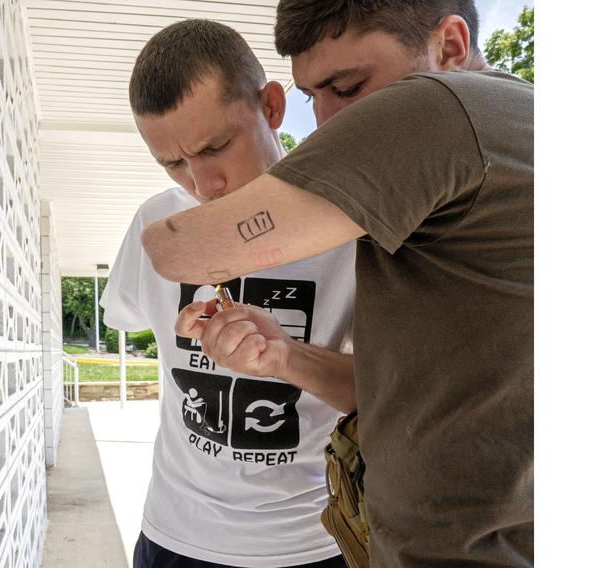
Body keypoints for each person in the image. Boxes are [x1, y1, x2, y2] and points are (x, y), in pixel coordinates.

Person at [142, 1, 533, 566]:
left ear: (449, 47)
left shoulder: (443, 110)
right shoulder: (517, 133)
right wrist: (285, 357)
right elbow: (395, 394)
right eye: (313, 97)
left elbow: (180, 247)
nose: (328, 124)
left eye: (348, 87)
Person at [101, 19, 357, 568]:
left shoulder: (350, 226)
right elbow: (122, 315)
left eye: (216, 146)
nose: (201, 184)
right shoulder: (156, 224)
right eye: (172, 162)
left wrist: (285, 358)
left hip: (312, 543)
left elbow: (379, 394)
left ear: (271, 107)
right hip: (173, 534)